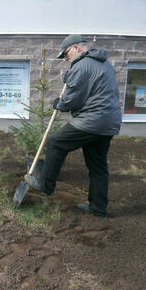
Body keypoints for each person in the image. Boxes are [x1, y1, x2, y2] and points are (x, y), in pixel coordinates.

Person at [24, 34, 121, 218]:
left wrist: (59, 103)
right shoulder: (104, 63)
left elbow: (71, 101)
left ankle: (45, 185)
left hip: (92, 120)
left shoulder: (81, 65)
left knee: (55, 142)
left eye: (66, 54)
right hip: (109, 122)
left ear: (76, 48)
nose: (66, 59)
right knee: (97, 165)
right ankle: (98, 208)